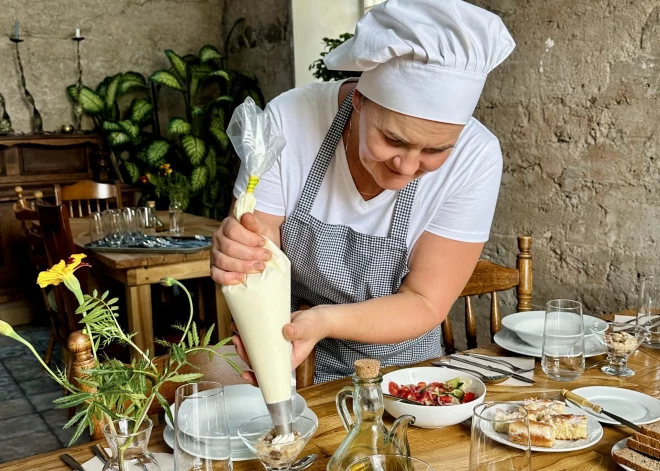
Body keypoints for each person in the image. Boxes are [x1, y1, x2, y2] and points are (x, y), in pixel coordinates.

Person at [211, 0, 516, 383]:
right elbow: (262, 241)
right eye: (392, 139)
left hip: (407, 372)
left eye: (436, 150)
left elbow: (424, 300)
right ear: (358, 100)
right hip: (291, 352)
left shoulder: (477, 157)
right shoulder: (288, 120)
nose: (406, 165)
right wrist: (243, 251)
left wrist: (325, 320)